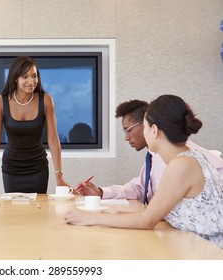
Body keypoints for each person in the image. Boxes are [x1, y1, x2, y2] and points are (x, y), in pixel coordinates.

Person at [66, 94, 223, 248]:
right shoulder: (188, 158)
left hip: (207, 253)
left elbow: (147, 220)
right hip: (192, 245)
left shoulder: (181, 165)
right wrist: (113, 213)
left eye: (145, 127)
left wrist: (89, 217)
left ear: (154, 130)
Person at [75, 99, 223, 203]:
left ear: (152, 127)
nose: (126, 138)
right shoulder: (153, 156)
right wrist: (101, 192)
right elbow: (139, 188)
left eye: (128, 130)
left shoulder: (184, 158)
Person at [0, 56, 68, 194]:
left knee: (38, 211)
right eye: (25, 77)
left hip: (37, 168)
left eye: (34, 76)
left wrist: (59, 177)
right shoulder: (1, 101)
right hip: (12, 168)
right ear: (15, 78)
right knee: (13, 212)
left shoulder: (46, 100)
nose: (31, 81)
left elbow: (53, 138)